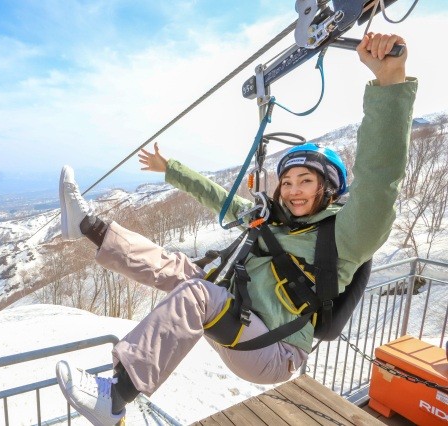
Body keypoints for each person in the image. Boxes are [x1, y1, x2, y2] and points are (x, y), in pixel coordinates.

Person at [55, 32, 417, 425]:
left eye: (306, 181)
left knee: (198, 295)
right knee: (179, 268)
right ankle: (87, 225)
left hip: (274, 350)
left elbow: (379, 181)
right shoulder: (274, 221)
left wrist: (389, 84)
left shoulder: (346, 235)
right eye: (288, 181)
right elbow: (219, 198)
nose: (293, 190)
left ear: (328, 189)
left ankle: (114, 398)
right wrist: (171, 169)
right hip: (245, 321)